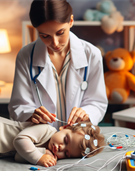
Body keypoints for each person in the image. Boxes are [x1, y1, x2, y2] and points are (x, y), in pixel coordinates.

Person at [8, 0, 108, 129]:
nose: (54, 43)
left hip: (75, 136)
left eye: (60, 33)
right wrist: (31, 114)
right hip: (40, 137)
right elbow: (18, 106)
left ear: (71, 21)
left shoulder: (92, 54)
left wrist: (85, 113)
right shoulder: (26, 56)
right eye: (45, 36)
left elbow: (97, 103)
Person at [0, 113, 105, 167]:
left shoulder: (48, 151)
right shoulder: (47, 130)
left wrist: (43, 153)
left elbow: (18, 155)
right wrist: (38, 157)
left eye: (67, 153)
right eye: (65, 140)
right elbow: (20, 140)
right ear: (64, 128)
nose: (60, 148)